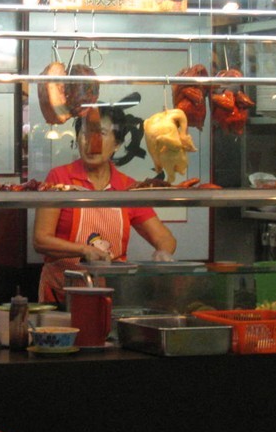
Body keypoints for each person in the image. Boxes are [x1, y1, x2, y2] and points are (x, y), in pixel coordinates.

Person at [33, 106, 177, 303]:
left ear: (117, 143)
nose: (92, 141)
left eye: (101, 133)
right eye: (85, 133)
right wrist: (84, 250)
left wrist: (162, 254)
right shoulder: (59, 178)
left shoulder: (126, 187)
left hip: (111, 295)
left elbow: (165, 238)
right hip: (62, 294)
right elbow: (41, 240)